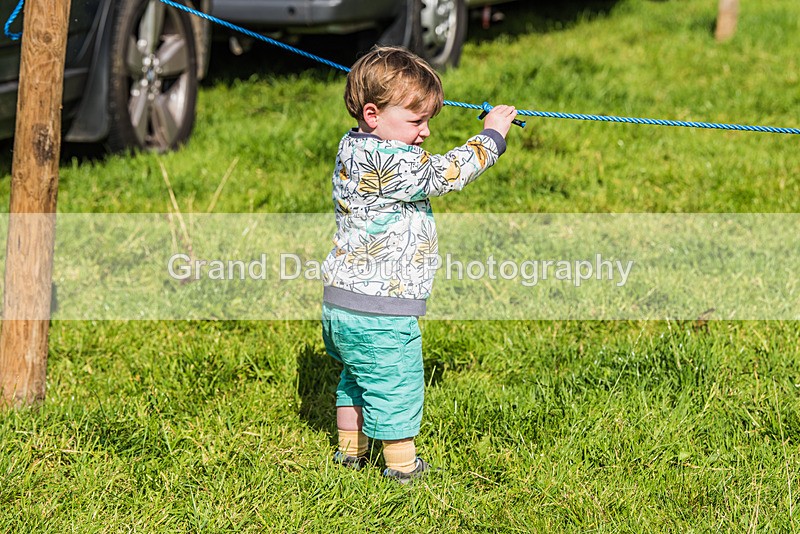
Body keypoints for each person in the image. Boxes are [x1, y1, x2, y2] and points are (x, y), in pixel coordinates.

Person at [320, 45, 517, 483]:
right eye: (416, 121)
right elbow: (449, 171)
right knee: (396, 384)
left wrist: (411, 120)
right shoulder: (396, 163)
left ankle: (350, 455)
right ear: (372, 114)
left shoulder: (352, 148)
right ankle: (403, 469)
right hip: (380, 309)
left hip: (341, 303)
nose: (426, 132)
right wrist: (493, 135)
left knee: (357, 376)